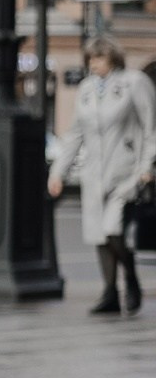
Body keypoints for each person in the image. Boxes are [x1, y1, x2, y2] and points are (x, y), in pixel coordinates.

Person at [49, 38, 154, 316]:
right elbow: (75, 134)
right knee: (98, 234)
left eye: (98, 58)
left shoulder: (135, 82)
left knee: (112, 229)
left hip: (126, 171)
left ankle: (130, 279)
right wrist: (58, 171)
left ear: (113, 58)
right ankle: (110, 293)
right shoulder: (86, 89)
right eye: (90, 59)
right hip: (94, 172)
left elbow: (150, 127)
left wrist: (147, 166)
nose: (93, 64)